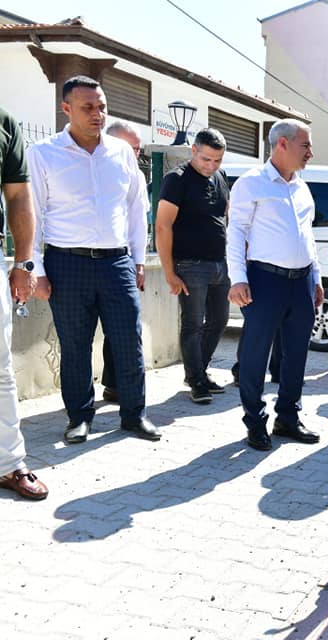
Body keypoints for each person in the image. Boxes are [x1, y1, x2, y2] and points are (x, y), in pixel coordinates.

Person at [27, 75, 159, 444]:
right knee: (75, 344)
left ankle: (134, 416)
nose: (97, 114)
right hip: (66, 264)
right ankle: (80, 417)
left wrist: (137, 260)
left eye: (102, 106)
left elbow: (137, 208)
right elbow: (33, 213)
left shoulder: (120, 153)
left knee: (128, 339)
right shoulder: (43, 153)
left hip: (116, 262)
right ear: (66, 108)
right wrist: (35, 269)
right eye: (88, 107)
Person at [227, 119, 323, 451]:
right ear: (282, 144)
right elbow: (236, 232)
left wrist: (318, 279)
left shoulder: (302, 186)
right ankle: (255, 421)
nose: (311, 152)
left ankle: (288, 417)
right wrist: (237, 278)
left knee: (296, 354)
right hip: (265, 280)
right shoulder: (251, 183)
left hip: (302, 281)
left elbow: (307, 235)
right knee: (255, 354)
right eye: (305, 145)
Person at [155, 128, 231, 404]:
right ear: (193, 151)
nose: (211, 166)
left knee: (220, 320)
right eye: (206, 159)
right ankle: (196, 379)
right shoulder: (176, 180)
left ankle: (199, 370)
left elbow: (226, 216)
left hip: (220, 264)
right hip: (189, 265)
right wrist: (169, 272)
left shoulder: (220, 177)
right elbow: (163, 226)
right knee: (192, 324)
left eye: (217, 160)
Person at [0, 107, 48, 500]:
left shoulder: (4, 122)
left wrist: (23, 262)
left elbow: (18, 195)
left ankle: (9, 464)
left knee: (0, 372)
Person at [100, 120, 146, 403]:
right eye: (131, 148)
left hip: (123, 260)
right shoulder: (95, 167)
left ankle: (119, 388)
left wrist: (139, 262)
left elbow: (139, 220)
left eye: (139, 149)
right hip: (82, 261)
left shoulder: (136, 175)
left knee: (124, 328)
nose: (136, 154)